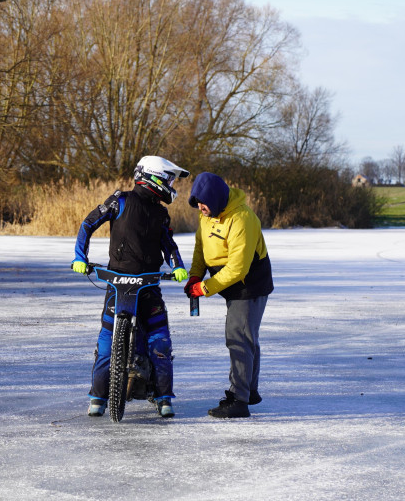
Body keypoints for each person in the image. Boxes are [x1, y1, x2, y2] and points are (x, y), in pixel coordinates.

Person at [72, 156, 190, 418]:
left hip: (149, 285)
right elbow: (88, 224)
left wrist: (177, 265)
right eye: (168, 179)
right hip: (118, 283)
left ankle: (163, 396)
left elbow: (168, 244)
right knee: (106, 341)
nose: (171, 184)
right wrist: (80, 257)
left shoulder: (161, 212)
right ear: (154, 178)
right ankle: (98, 397)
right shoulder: (120, 200)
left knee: (160, 342)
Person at [185, 172, 273, 419]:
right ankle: (250, 391)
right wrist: (195, 276)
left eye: (203, 203)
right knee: (247, 337)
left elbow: (238, 268)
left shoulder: (242, 218)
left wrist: (204, 288)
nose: (200, 208)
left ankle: (239, 400)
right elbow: (201, 249)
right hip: (227, 282)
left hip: (249, 284)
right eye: (197, 204)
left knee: (238, 338)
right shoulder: (208, 216)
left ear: (216, 198)